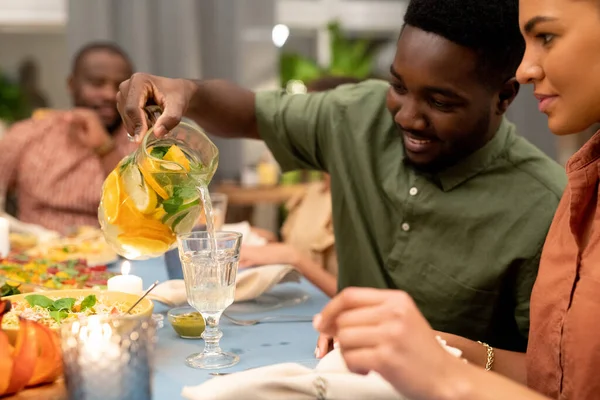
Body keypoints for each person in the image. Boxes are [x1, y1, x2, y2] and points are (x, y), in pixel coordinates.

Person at [116, 0, 566, 356]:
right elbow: (247, 112)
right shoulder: (357, 114)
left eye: (441, 103)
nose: (408, 117)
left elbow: (555, 376)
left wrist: (440, 352)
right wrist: (186, 91)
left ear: (504, 97)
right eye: (399, 87)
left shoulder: (545, 203)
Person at [314, 0, 600, 399]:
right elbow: (557, 374)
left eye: (546, 37)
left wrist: (445, 376)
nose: (526, 68)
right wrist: (431, 346)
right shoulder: (585, 184)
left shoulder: (545, 196)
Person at [240, 76, 362, 298]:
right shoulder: (314, 191)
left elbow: (365, 301)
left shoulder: (360, 200)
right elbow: (298, 250)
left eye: (311, 120)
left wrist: (292, 257)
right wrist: (264, 241)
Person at [0, 42, 136, 234]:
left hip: (113, 257)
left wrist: (106, 148)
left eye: (120, 87)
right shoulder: (28, 134)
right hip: (37, 256)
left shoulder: (144, 143)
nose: (109, 94)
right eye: (97, 83)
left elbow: (142, 215)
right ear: (72, 85)